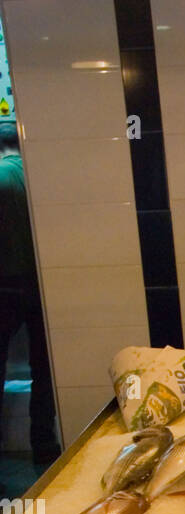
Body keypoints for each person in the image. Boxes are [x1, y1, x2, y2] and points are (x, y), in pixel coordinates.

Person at [0, 119, 60, 469]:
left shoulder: (3, 178)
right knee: (44, 370)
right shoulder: (39, 177)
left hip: (5, 289)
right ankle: (44, 445)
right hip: (41, 288)